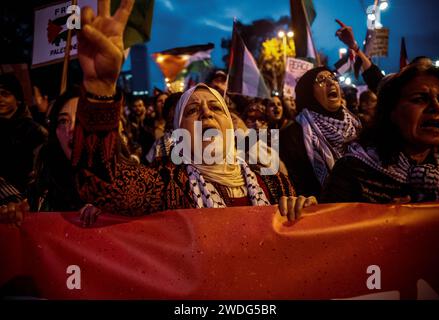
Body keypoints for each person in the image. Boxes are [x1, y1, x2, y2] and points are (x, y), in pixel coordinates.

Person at [73, 0, 316, 221]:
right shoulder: (166, 189)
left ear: (230, 125)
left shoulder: (276, 184)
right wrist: (100, 87)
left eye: (214, 108)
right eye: (191, 111)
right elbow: (102, 183)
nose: (206, 114)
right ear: (179, 133)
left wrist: (304, 212)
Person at [321, 64, 439, 203]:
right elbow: (334, 221)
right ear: (391, 112)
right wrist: (382, 218)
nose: (437, 107)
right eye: (419, 99)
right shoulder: (354, 170)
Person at [279, 67, 362, 198]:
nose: (331, 82)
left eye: (333, 78)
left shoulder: (358, 125)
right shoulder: (291, 134)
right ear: (308, 93)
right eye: (321, 80)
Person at [30, 87, 102, 226]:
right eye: (63, 121)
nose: (71, 129)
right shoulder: (42, 188)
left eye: (82, 118)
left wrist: (109, 210)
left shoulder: (124, 181)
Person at [0, 74, 48, 194]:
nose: (0, 99)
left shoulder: (34, 130)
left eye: (5, 94)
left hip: (25, 197)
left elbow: (42, 171)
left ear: (18, 98)